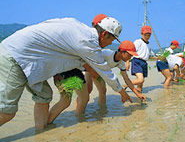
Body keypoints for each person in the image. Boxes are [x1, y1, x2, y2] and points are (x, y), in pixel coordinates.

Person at [0, 16, 132, 130]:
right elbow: (104, 70)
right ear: (104, 34)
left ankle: (40, 132)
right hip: (16, 56)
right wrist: (122, 92)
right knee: (7, 112)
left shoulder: (77, 26)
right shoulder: (88, 42)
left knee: (44, 96)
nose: (110, 44)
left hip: (34, 61)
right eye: (111, 40)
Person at [75, 40, 147, 113]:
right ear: (122, 52)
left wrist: (138, 94)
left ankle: (102, 111)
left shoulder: (121, 63)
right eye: (129, 55)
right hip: (88, 67)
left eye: (131, 56)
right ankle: (77, 112)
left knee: (103, 91)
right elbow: (90, 58)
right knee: (88, 89)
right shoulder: (106, 53)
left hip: (99, 73)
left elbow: (126, 79)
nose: (129, 58)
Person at [126, 25, 154, 93]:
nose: (147, 37)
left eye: (149, 35)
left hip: (144, 63)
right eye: (145, 35)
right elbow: (131, 52)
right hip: (137, 61)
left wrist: (158, 58)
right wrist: (127, 62)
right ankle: (126, 84)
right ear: (141, 34)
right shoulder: (138, 42)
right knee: (141, 80)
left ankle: (139, 98)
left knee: (140, 85)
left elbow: (148, 55)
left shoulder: (149, 44)